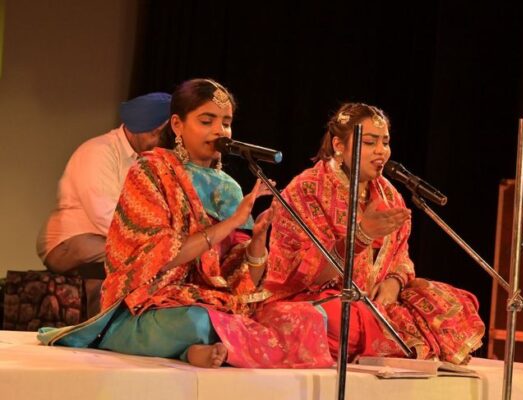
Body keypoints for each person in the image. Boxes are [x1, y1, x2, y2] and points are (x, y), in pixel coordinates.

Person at [39, 79, 333, 369]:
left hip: (213, 302)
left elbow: (241, 282)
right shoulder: (151, 171)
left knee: (307, 317)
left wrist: (257, 241)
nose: (219, 131)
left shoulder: (228, 188)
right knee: (197, 322)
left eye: (226, 123)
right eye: (207, 121)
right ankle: (160, 342)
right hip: (151, 303)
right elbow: (161, 257)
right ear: (177, 125)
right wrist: (231, 222)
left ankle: (199, 349)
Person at [264, 102, 485, 364]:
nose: (381, 151)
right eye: (370, 142)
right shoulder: (305, 190)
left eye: (385, 142)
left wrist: (394, 283)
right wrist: (360, 237)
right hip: (323, 299)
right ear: (339, 145)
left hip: (378, 302)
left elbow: (402, 258)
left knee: (453, 300)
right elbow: (301, 274)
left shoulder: (390, 194)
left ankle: (387, 339)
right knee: (337, 319)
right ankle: (394, 341)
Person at [36, 92, 172, 317]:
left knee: (159, 261)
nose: (159, 141)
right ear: (141, 128)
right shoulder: (99, 151)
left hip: (110, 239)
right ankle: (101, 328)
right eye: (156, 133)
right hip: (70, 242)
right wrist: (151, 246)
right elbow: (104, 214)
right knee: (143, 261)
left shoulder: (149, 159)